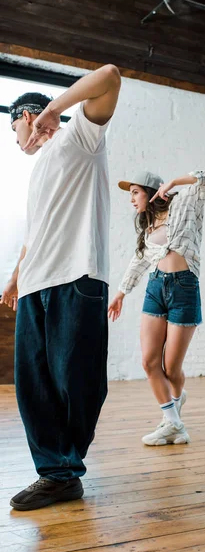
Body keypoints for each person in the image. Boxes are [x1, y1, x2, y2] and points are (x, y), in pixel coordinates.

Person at [1, 64, 121, 510]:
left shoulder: (79, 139)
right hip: (36, 285)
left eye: (18, 131)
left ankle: (66, 463)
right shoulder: (39, 174)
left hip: (78, 276)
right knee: (34, 385)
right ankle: (57, 475)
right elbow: (38, 232)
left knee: (78, 380)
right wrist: (15, 277)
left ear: (30, 118)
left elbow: (109, 76)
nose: (19, 144)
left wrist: (55, 109)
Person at [108, 169, 205, 446]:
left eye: (135, 192)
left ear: (151, 190)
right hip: (155, 289)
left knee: (171, 368)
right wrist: (121, 293)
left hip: (184, 289)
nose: (132, 199)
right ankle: (173, 422)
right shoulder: (148, 229)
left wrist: (174, 183)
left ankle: (174, 411)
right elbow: (139, 262)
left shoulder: (185, 204)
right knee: (149, 362)